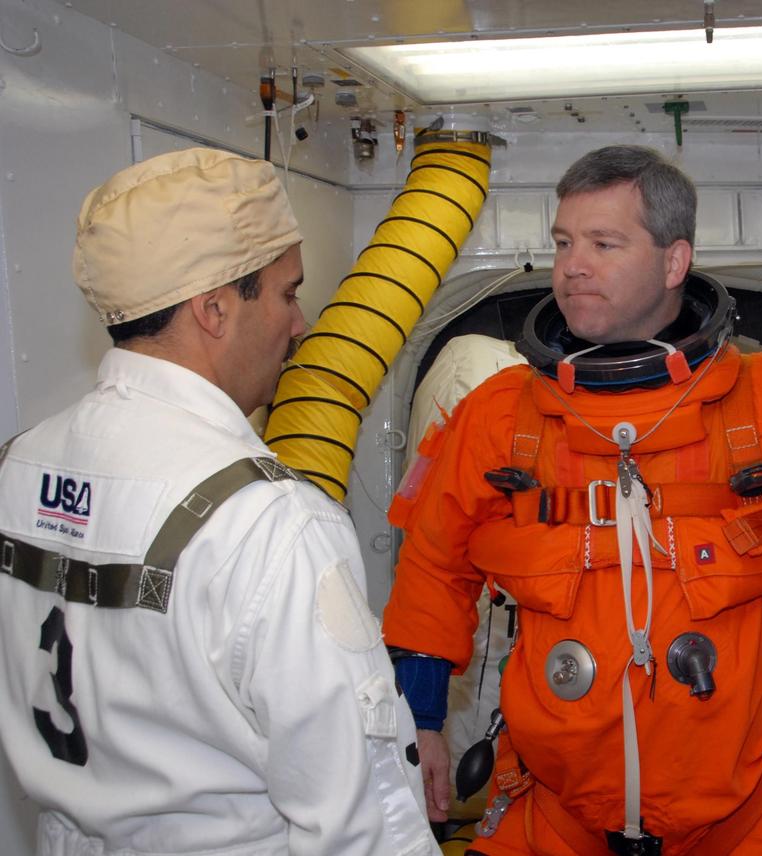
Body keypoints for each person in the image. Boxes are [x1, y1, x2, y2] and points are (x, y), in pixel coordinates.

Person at [382, 145, 762, 856]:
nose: (573, 265)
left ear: (674, 263)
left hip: (749, 814)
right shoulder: (499, 418)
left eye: (605, 244)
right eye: (565, 243)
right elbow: (432, 570)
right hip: (555, 817)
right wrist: (419, 720)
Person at [0, 148, 440, 856]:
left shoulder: (16, 470)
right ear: (214, 310)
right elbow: (360, 822)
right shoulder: (268, 522)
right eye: (287, 294)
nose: (298, 324)